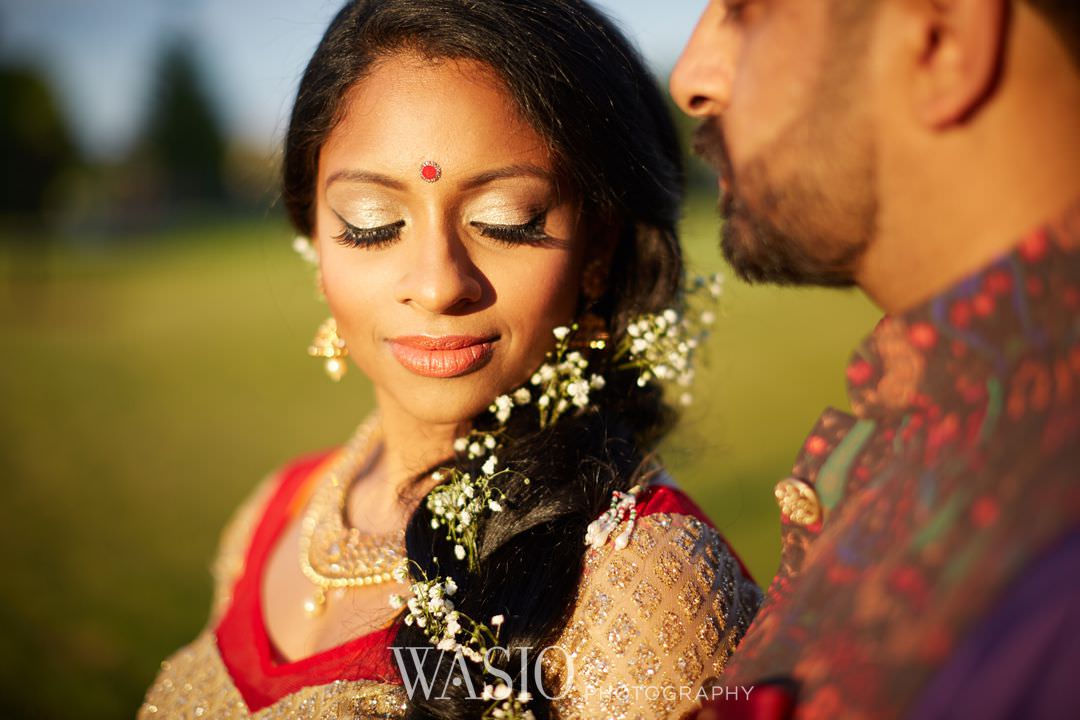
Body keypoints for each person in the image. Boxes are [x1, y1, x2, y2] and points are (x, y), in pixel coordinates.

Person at [138, 1, 762, 718]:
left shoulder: (643, 580)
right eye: (372, 225)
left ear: (598, 249)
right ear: (314, 239)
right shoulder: (276, 512)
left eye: (507, 221)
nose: (437, 285)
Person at [670, 1, 1080, 718]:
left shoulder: (1050, 582)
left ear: (942, 41)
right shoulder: (950, 426)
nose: (690, 79)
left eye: (745, 10)